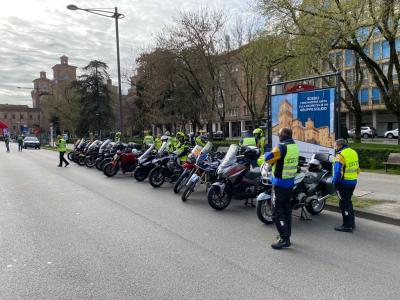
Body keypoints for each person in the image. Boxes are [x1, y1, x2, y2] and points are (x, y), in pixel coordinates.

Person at [264, 127, 299, 250]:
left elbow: (268, 158)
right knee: (286, 210)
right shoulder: (294, 146)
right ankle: (286, 235)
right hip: (290, 183)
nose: (278, 136)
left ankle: (284, 239)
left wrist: (267, 152)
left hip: (279, 183)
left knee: (277, 212)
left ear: (282, 136)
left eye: (279, 134)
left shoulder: (281, 147)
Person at [332, 139, 360, 232]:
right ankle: (352, 223)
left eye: (336, 145)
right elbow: (357, 168)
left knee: (344, 204)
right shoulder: (353, 152)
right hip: (353, 181)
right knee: (348, 202)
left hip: (343, 183)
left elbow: (337, 171)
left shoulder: (340, 155)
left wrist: (335, 182)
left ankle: (347, 225)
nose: (335, 147)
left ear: (340, 145)